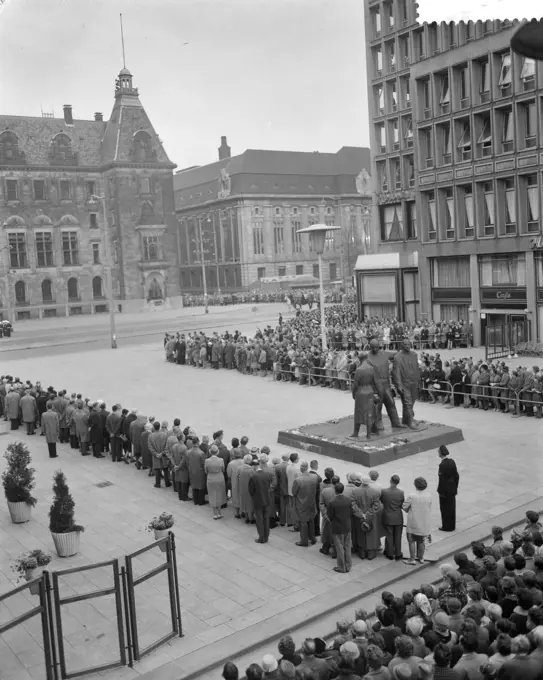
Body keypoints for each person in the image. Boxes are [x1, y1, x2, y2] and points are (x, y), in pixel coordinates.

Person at [366, 339, 405, 431]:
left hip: (386, 383)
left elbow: (396, 354)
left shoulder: (384, 353)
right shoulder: (368, 357)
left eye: (377, 347)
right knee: (377, 405)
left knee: (391, 403)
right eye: (373, 347)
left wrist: (402, 349)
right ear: (370, 347)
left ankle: (395, 422)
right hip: (375, 384)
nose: (375, 349)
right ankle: (378, 424)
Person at [392, 340, 421, 431]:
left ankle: (406, 420)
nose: (408, 346)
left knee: (411, 402)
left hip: (414, 382)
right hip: (405, 383)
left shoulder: (414, 355)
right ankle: (410, 421)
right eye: (406, 345)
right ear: (402, 345)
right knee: (408, 402)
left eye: (409, 344)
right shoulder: (398, 357)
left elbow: (417, 368)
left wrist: (419, 381)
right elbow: (396, 372)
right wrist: (399, 385)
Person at [351, 476, 382, 560]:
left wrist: (361, 514)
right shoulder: (375, 492)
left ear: (361, 481)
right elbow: (376, 506)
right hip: (371, 517)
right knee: (371, 534)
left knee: (361, 534)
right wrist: (368, 514)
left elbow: (353, 504)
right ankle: (371, 554)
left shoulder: (355, 491)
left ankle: (362, 554)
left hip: (359, 517)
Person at [403, 477, 432, 566]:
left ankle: (412, 559)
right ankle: (421, 557)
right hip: (424, 522)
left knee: (411, 541)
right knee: (422, 541)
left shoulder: (412, 496)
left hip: (413, 522)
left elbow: (404, 506)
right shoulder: (429, 495)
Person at [351, 352, 380, 439]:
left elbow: (355, 384)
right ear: (366, 358)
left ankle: (356, 433)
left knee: (358, 413)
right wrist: (377, 393)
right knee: (370, 412)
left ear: (359, 359)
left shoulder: (359, 370)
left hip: (361, 393)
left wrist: (353, 393)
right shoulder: (371, 368)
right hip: (370, 391)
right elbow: (375, 382)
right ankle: (369, 434)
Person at [249, 454, 275, 543]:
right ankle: (266, 537)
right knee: (266, 519)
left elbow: (251, 491)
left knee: (259, 519)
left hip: (258, 501)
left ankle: (261, 537)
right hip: (267, 500)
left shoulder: (253, 477)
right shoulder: (267, 475)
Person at [291, 461, 318, 547]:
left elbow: (293, 492)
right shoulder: (315, 477)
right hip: (312, 502)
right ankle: (313, 538)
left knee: (303, 522)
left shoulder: (298, 480)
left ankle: (304, 540)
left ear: (301, 469)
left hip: (301, 503)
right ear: (308, 468)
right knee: (311, 520)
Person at [327, 482, 352, 573]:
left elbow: (330, 516)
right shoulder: (348, 500)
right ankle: (348, 565)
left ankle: (342, 567)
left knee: (340, 548)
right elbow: (351, 512)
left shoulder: (332, 502)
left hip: (337, 528)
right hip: (347, 526)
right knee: (347, 546)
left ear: (335, 490)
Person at [381, 475, 405, 561]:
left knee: (389, 535)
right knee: (398, 536)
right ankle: (398, 553)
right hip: (398, 516)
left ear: (390, 481)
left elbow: (382, 501)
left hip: (388, 516)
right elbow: (402, 504)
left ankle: (389, 553)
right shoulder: (401, 492)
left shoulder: (384, 491)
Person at [437, 445, 459, 532]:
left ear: (441, 453)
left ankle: (446, 526)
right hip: (452, 489)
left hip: (445, 491)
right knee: (452, 508)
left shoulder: (442, 465)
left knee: (445, 509)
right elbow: (456, 476)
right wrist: (455, 487)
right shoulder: (452, 462)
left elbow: (441, 480)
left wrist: (440, 491)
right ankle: (452, 525)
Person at [204, 445, 226, 519]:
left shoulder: (207, 461)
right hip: (219, 478)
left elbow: (206, 471)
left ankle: (215, 513)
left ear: (210, 452)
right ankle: (220, 512)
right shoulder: (221, 460)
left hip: (211, 478)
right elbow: (223, 469)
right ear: (217, 452)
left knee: (212, 494)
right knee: (219, 494)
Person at [187, 436, 206, 505]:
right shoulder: (201, 453)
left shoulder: (188, 452)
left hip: (191, 471)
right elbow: (203, 464)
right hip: (200, 472)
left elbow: (187, 462)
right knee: (201, 486)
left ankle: (195, 501)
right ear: (198, 442)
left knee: (194, 485)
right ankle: (201, 501)